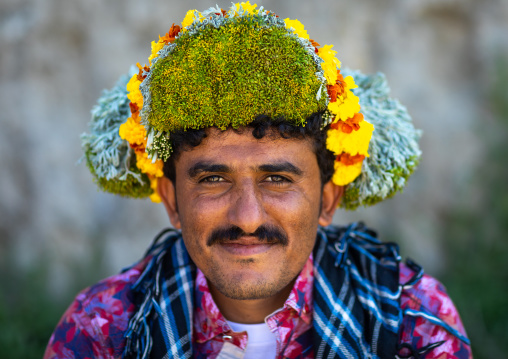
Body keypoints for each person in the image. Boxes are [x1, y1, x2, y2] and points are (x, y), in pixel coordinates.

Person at [45, 3, 472, 358]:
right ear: (171, 199)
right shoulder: (103, 330)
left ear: (327, 198)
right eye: (213, 179)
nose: (247, 217)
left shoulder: (408, 318)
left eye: (277, 179)